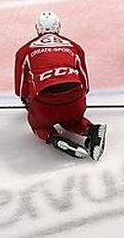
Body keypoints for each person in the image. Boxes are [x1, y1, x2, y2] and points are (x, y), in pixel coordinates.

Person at [14, 11, 106, 161]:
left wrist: (29, 103)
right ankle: (92, 130)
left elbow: (20, 90)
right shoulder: (75, 47)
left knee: (39, 126)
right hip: (75, 100)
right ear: (58, 27)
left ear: (37, 28)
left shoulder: (25, 51)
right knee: (72, 121)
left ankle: (55, 139)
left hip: (45, 102)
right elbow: (86, 85)